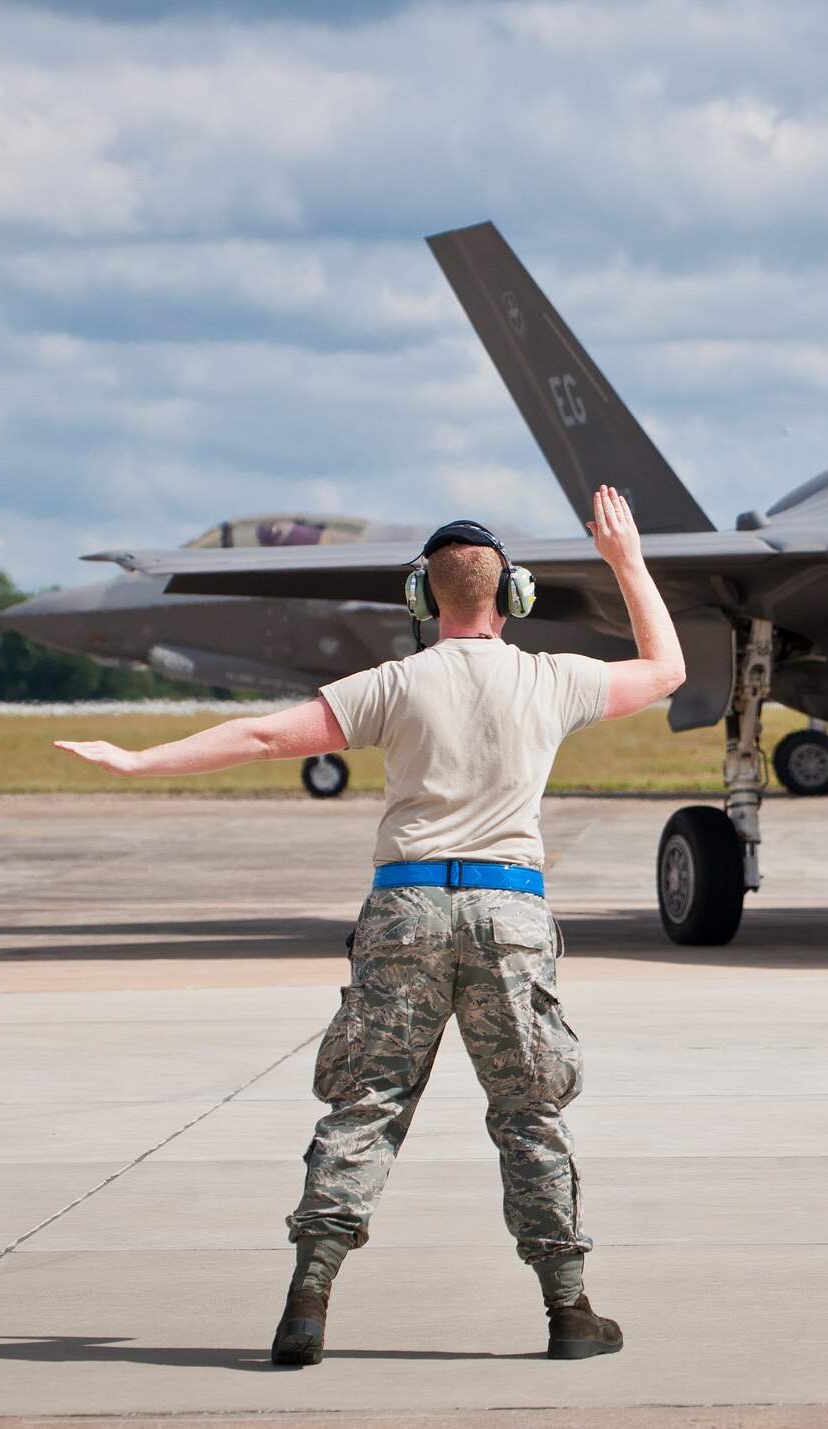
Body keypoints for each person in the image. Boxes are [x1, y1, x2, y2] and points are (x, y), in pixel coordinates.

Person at [55, 486, 685, 1365]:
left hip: (406, 908)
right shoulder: (554, 678)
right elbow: (665, 670)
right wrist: (626, 559)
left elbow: (265, 736)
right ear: (512, 598)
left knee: (371, 1103)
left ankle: (307, 1302)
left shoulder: (392, 684)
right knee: (529, 1112)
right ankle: (570, 1311)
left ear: (423, 600)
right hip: (510, 912)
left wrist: (138, 760)